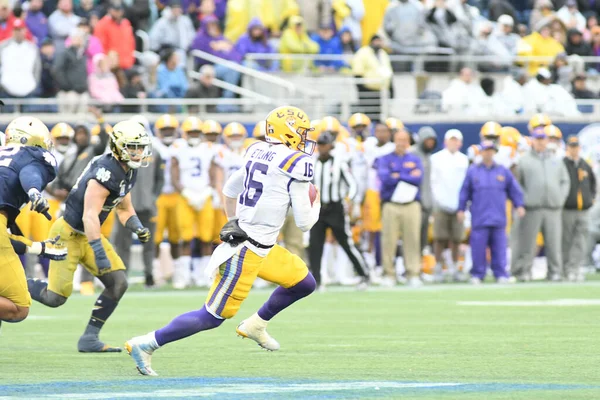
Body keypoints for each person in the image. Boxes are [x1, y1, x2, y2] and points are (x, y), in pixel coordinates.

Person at [125, 106, 320, 376]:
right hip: (247, 252)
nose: (304, 137)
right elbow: (305, 222)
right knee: (211, 317)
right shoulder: (297, 162)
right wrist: (316, 200)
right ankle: (145, 343)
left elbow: (229, 189)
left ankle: (256, 324)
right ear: (286, 131)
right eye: (300, 131)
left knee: (304, 283)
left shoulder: (256, 149)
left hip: (262, 246)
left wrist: (234, 220)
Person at [27, 121, 153, 353]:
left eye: (140, 147)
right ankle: (14, 284)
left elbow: (124, 208)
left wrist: (137, 227)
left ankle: (89, 338)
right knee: (54, 298)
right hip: (68, 234)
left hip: (88, 234)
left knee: (118, 283)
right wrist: (98, 251)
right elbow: (90, 215)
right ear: (117, 147)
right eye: (132, 147)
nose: (138, 152)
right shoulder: (105, 172)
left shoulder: (128, 169)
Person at [0, 116, 66, 325]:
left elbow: (6, 240)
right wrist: (34, 192)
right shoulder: (32, 155)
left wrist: (38, 248)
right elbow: (30, 172)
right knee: (18, 307)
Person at [458, 140, 525, 284]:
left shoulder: (502, 170)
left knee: (500, 247)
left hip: (498, 216)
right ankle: (477, 274)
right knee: (478, 248)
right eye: (486, 150)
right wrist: (461, 209)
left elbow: (514, 190)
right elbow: (464, 192)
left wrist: (519, 205)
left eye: (491, 150)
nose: (488, 153)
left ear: (494, 152)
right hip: (479, 216)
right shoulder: (473, 171)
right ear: (481, 152)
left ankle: (500, 273)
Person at [309, 131, 369, 290]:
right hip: (318, 209)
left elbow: (353, 184)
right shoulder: (311, 163)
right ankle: (317, 280)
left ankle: (364, 275)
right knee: (315, 245)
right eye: (320, 144)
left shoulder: (339, 163)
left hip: (336, 208)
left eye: (325, 144)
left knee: (346, 243)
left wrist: (349, 200)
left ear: (331, 146)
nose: (322, 148)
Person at [170, 119, 224, 288]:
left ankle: (204, 276)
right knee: (184, 238)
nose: (193, 135)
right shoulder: (178, 148)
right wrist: (185, 192)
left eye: (196, 132)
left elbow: (213, 172)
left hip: (204, 195)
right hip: (185, 197)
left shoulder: (209, 149)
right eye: (190, 132)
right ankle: (183, 276)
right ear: (185, 133)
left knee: (206, 238)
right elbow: (174, 173)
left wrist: (208, 191)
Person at [511, 127, 570, 281]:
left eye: (543, 139)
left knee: (554, 242)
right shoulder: (524, 160)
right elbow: (517, 184)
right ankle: (524, 271)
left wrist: (560, 198)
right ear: (533, 141)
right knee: (528, 242)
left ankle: (555, 271)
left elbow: (565, 181)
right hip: (532, 207)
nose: (541, 142)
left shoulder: (555, 160)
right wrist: (523, 200)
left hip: (553, 207)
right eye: (538, 139)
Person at [376, 129, 424, 287]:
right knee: (388, 240)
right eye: (399, 139)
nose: (402, 143)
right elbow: (385, 178)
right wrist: (407, 174)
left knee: (412, 239)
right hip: (391, 204)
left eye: (404, 139)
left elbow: (418, 179)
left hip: (411, 204)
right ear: (394, 140)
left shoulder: (415, 159)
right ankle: (388, 273)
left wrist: (397, 174)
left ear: (408, 141)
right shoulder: (384, 158)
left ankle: (413, 273)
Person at [430, 129, 469, 281]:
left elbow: (466, 185)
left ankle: (453, 267)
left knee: (457, 239)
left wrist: (464, 206)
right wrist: (435, 203)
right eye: (451, 140)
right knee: (439, 238)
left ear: (460, 142)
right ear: (445, 142)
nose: (453, 143)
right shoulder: (436, 159)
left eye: (456, 140)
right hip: (440, 204)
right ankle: (438, 267)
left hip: (458, 205)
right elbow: (433, 183)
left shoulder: (464, 160)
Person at [151, 114, 182, 288]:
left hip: (177, 195)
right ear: (158, 131)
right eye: (165, 130)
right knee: (155, 236)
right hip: (159, 195)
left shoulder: (181, 146)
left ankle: (178, 275)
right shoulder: (152, 146)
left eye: (170, 129)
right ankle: (156, 274)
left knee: (177, 237)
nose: (168, 132)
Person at [562, 135, 596, 281]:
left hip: (584, 209)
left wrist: (591, 198)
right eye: (571, 146)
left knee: (581, 240)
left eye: (576, 146)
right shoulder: (562, 164)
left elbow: (593, 183)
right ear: (567, 148)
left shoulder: (584, 165)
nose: (574, 149)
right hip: (568, 209)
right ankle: (566, 269)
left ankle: (576, 268)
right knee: (566, 240)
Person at [351, 35, 393, 121]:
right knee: (367, 115)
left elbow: (388, 71)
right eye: (376, 41)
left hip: (381, 90)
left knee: (379, 115)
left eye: (379, 41)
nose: (378, 43)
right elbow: (357, 71)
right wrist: (361, 89)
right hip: (367, 90)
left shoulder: (383, 53)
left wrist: (391, 87)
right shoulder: (363, 52)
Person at [0, 19, 40, 103]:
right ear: (12, 31)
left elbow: (37, 68)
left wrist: (34, 83)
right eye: (16, 30)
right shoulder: (3, 47)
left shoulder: (32, 48)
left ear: (25, 30)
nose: (18, 32)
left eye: (20, 29)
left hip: (29, 88)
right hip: (6, 88)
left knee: (28, 116)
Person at [412, 126, 438, 253]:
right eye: (428, 140)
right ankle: (411, 266)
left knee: (423, 237)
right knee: (413, 236)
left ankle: (420, 265)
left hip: (427, 204)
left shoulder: (429, 157)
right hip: (417, 203)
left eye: (432, 141)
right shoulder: (413, 154)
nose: (430, 143)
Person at [53, 28, 89, 114]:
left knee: (82, 118)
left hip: (81, 91)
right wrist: (67, 86)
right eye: (77, 37)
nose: (80, 40)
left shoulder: (83, 54)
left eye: (81, 38)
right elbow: (57, 70)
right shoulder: (65, 53)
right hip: (68, 92)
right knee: (67, 117)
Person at [148, 0, 195, 65]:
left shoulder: (185, 21)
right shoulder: (162, 22)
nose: (176, 11)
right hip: (166, 51)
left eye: (178, 9)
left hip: (183, 51)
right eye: (174, 9)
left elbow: (191, 37)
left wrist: (188, 47)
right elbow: (153, 39)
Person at [93, 1, 136, 71]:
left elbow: (131, 43)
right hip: (111, 66)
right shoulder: (102, 25)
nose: (117, 13)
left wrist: (131, 59)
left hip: (127, 63)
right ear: (110, 10)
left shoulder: (126, 23)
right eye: (115, 10)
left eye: (119, 10)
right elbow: (99, 47)